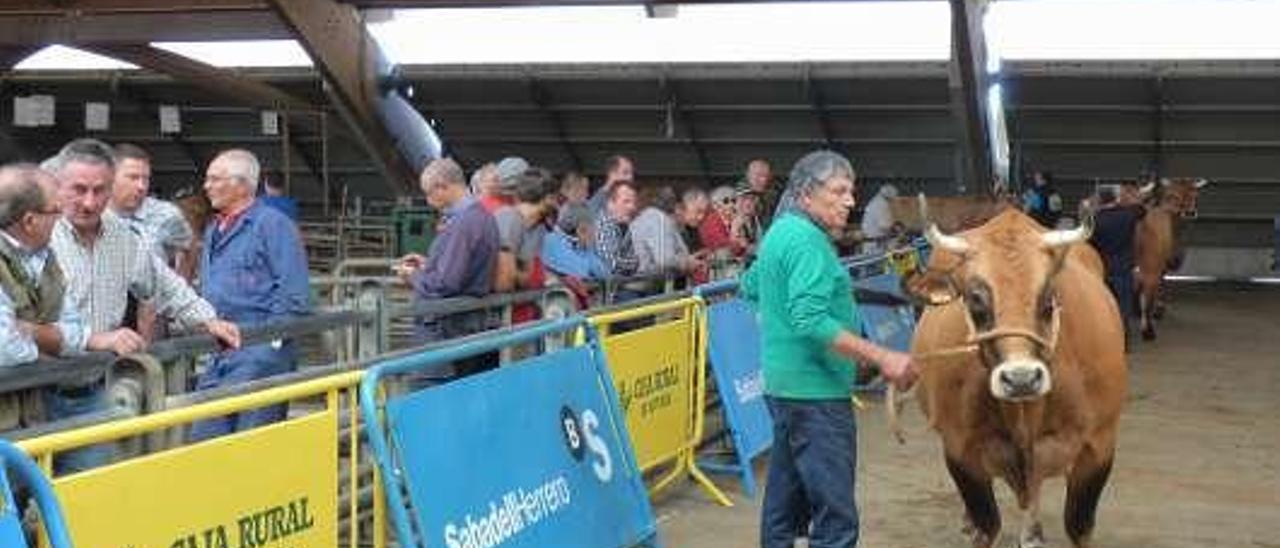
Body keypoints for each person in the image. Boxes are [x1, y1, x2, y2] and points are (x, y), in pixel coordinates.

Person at [741, 150, 917, 548]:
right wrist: (883, 355)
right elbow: (809, 319)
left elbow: (750, 285)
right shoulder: (808, 243)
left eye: (851, 191)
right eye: (838, 191)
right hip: (816, 395)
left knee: (784, 506)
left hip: (783, 388)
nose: (850, 201)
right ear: (806, 195)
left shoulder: (780, 233)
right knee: (836, 518)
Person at [190, 149, 309, 441]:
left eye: (215, 179)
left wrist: (268, 347)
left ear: (242, 185)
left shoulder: (273, 224)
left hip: (258, 352)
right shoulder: (214, 229)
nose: (207, 186)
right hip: (220, 352)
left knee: (253, 443)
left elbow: (294, 293)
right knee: (205, 439)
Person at [395, 158, 500, 380]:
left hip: (446, 331)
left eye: (429, 192)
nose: (427, 199)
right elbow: (463, 268)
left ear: (443, 186)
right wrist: (429, 264)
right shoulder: (482, 217)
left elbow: (446, 283)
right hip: (469, 324)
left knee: (428, 397)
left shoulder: (463, 223)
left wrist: (414, 275)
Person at [0, 164, 89, 370]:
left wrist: (30, 331)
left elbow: (76, 331)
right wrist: (45, 355)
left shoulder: (46, 258)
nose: (61, 219)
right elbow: (4, 348)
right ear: (30, 221)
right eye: (56, 211)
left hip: (33, 399)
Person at [109, 143, 197, 272]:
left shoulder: (166, 214)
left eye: (146, 179)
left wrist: (179, 285)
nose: (141, 186)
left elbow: (189, 246)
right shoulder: (88, 213)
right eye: (133, 177)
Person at [1089, 185, 1144, 347]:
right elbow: (1142, 209)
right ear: (1116, 199)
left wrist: (1089, 208)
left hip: (1102, 268)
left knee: (1101, 307)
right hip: (1124, 267)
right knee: (1123, 307)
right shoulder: (1128, 215)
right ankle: (1124, 341)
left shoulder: (1095, 219)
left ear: (1100, 200)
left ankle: (1104, 340)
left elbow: (1088, 243)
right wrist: (1129, 198)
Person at [629, 187, 708, 278]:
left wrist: (690, 258)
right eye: (698, 211)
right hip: (640, 286)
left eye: (704, 213)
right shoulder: (658, 219)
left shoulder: (667, 223)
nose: (701, 217)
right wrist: (688, 262)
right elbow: (664, 260)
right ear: (679, 208)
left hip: (646, 284)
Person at [593, 179, 640, 280]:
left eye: (634, 202)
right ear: (610, 203)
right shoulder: (603, 224)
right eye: (626, 201)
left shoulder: (624, 226)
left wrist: (633, 262)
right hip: (602, 292)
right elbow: (612, 264)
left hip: (618, 287)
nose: (632, 207)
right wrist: (636, 262)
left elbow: (632, 259)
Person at [859, 183, 899, 253]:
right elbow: (884, 225)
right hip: (874, 242)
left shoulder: (875, 202)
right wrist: (894, 228)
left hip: (872, 240)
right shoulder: (881, 204)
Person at [743, 158, 780, 229]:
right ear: (748, 175)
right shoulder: (739, 197)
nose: (763, 180)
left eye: (766, 176)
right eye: (758, 175)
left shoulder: (773, 195)